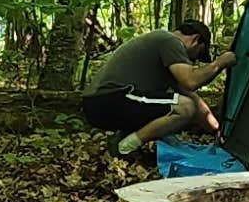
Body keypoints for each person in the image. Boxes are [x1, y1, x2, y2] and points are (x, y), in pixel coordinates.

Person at [80, 17, 226, 159]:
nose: (193, 61)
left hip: (101, 102)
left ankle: (123, 139)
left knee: (179, 106)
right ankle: (124, 147)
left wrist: (216, 130)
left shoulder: (165, 50)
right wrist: (220, 63)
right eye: (198, 54)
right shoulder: (170, 41)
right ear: (195, 39)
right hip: (110, 98)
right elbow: (191, 82)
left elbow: (192, 96)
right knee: (184, 107)